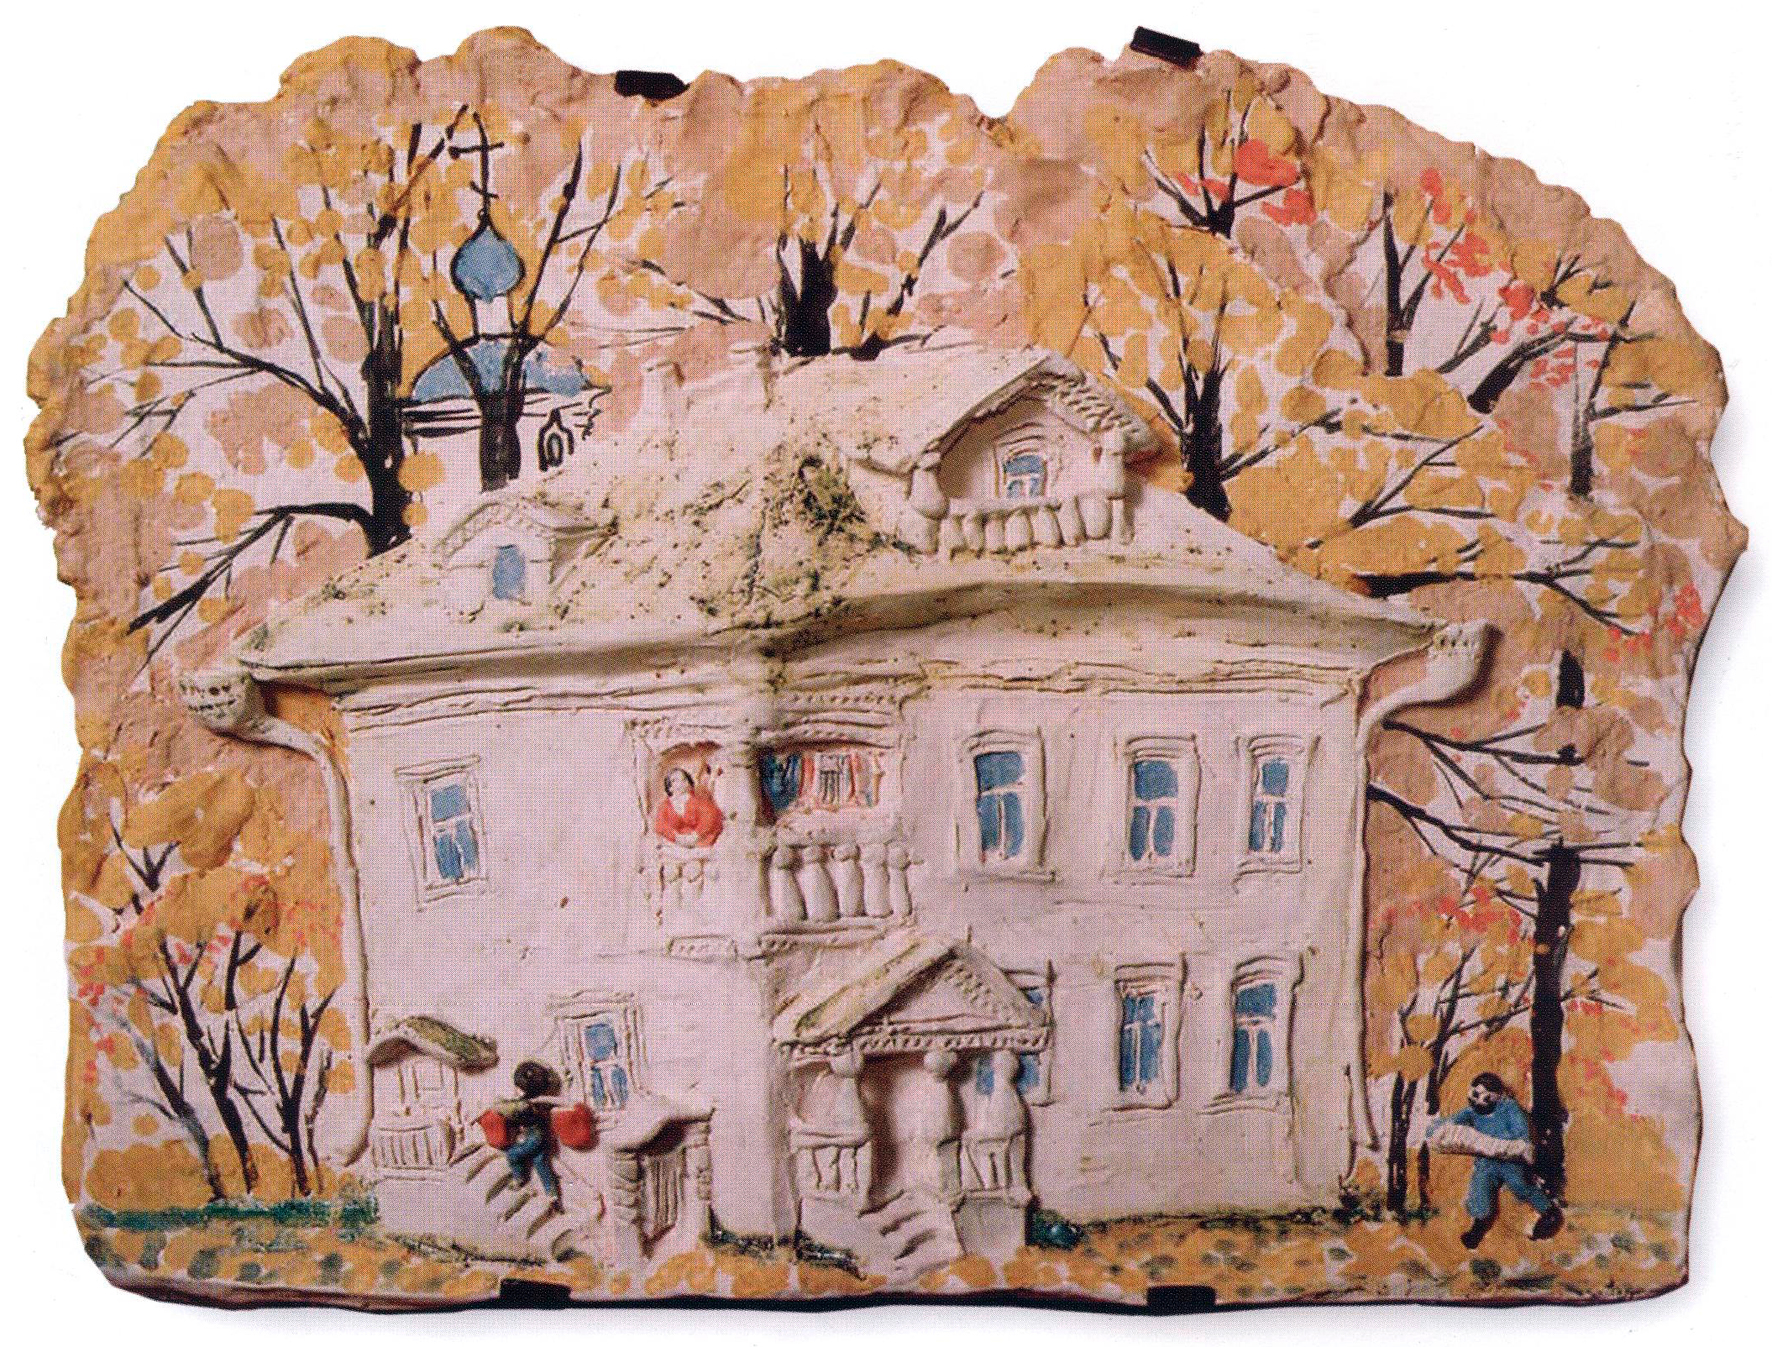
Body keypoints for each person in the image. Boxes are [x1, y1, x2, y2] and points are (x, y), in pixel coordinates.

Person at [1432, 1072, 1564, 1249]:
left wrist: (1508, 1147)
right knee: (1480, 1189)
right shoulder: (1471, 1112)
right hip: (1487, 1162)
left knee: (1519, 1185)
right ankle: (1478, 1228)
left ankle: (1549, 1213)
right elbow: (1452, 1123)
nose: (1478, 1101)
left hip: (1510, 1161)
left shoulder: (1510, 1109)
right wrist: (1441, 1131)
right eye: (1475, 1094)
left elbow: (1522, 1137)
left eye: (1485, 1097)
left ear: (1497, 1096)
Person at [488, 1061, 562, 1202]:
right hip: (542, 1135)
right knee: (540, 1163)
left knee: (512, 1155)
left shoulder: (523, 1105)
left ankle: (519, 1178)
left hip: (533, 1137)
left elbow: (503, 1109)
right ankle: (551, 1193)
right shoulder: (539, 1101)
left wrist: (499, 1102)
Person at [651, 766, 724, 847]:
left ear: (688, 783)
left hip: (699, 841)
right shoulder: (665, 805)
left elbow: (710, 817)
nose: (680, 782)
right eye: (675, 780)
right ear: (670, 787)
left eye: (683, 779)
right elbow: (661, 825)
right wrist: (676, 837)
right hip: (674, 843)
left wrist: (696, 835)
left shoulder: (697, 800)